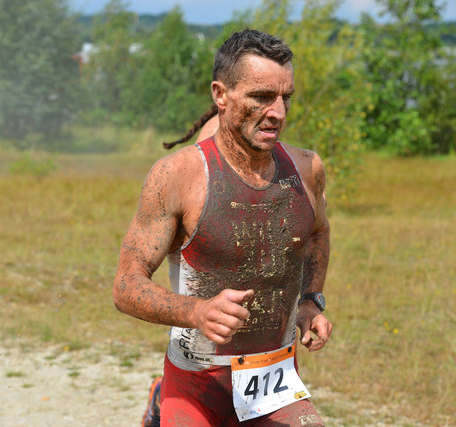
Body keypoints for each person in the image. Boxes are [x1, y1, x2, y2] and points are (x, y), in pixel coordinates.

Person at [114, 29, 332, 426]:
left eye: (286, 97)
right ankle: (163, 398)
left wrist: (310, 300)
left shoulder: (307, 169)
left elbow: (317, 231)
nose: (279, 112)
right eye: (262, 97)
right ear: (221, 95)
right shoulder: (177, 176)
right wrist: (196, 311)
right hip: (197, 385)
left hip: (274, 382)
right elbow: (126, 285)